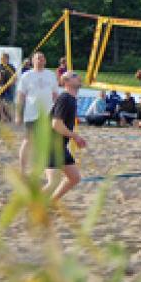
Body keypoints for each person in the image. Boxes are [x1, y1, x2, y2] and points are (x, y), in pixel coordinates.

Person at [43, 72, 88, 202]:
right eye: (75, 75)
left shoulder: (71, 99)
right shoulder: (65, 98)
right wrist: (75, 136)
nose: (79, 76)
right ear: (66, 82)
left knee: (74, 178)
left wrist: (74, 137)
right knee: (53, 182)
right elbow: (56, 124)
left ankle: (51, 202)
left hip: (59, 145)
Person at [16, 52, 60, 174]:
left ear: (45, 61)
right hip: (31, 113)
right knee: (28, 141)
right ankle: (23, 170)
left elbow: (55, 94)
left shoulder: (50, 75)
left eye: (42, 58)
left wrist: (59, 112)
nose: (40, 60)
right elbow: (20, 96)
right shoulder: (27, 75)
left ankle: (41, 168)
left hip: (48, 113)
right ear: (32, 61)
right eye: (37, 58)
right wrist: (18, 115)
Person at [0, 52, 18, 122]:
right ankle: (3, 117)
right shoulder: (1, 66)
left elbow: (15, 79)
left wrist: (9, 85)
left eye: (3, 58)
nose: (2, 59)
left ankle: (13, 118)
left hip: (9, 87)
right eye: (1, 58)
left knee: (8, 103)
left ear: (7, 59)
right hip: (2, 86)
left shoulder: (11, 67)